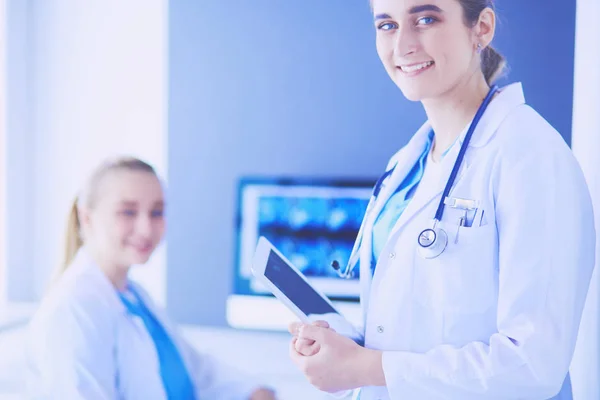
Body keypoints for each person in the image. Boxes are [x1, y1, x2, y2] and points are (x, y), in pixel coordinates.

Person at [288, 1, 595, 399]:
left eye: (426, 19)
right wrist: (342, 351)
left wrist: (364, 367)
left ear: (481, 28)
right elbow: (412, 325)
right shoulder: (407, 163)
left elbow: (532, 366)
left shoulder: (530, 156)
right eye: (386, 25)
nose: (403, 45)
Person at [26, 156, 276, 400]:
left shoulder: (134, 296)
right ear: (87, 218)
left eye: (157, 212)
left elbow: (193, 371)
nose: (146, 229)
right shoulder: (73, 309)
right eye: (128, 212)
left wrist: (253, 391)